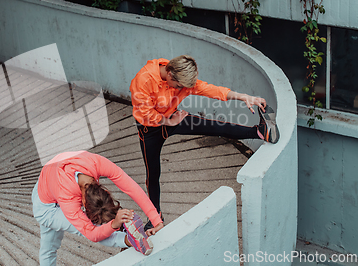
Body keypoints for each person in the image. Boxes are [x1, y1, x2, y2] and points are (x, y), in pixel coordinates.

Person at [130, 55, 279, 230]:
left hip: (173, 117)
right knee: (153, 173)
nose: (181, 90)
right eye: (179, 87)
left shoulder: (180, 76)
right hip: (150, 130)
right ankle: (155, 217)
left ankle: (258, 131)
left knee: (215, 127)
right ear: (169, 74)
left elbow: (210, 89)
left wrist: (244, 97)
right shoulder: (143, 80)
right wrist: (168, 121)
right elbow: (144, 113)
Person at [32, 150, 164, 266]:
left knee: (48, 249)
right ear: (81, 201)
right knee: (88, 228)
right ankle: (129, 240)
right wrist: (113, 225)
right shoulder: (68, 198)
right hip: (46, 209)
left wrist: (156, 220)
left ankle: (126, 234)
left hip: (50, 183)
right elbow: (91, 233)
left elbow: (131, 187)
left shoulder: (95, 162)